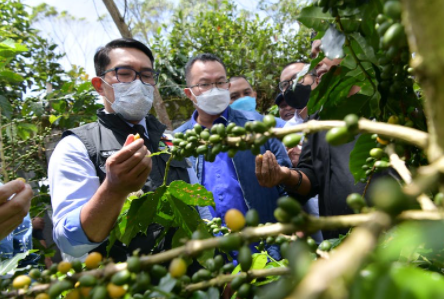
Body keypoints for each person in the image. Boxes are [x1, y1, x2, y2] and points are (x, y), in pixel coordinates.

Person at [49, 38, 209, 261]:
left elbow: (200, 209)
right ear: (99, 85)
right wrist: (113, 190)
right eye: (124, 73)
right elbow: (69, 242)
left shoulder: (169, 141)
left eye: (146, 75)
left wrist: (214, 258)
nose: (138, 82)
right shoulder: (76, 147)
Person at [175, 53, 291, 259]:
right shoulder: (179, 142)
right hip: (213, 257)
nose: (215, 89)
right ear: (189, 93)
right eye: (205, 84)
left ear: (228, 86)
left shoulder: (259, 126)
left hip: (269, 249)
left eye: (220, 82)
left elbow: (287, 185)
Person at [255, 41, 367, 240]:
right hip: (341, 244)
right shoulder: (318, 121)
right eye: (313, 53)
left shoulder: (386, 105)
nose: (315, 57)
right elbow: (311, 178)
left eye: (323, 48)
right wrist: (284, 175)